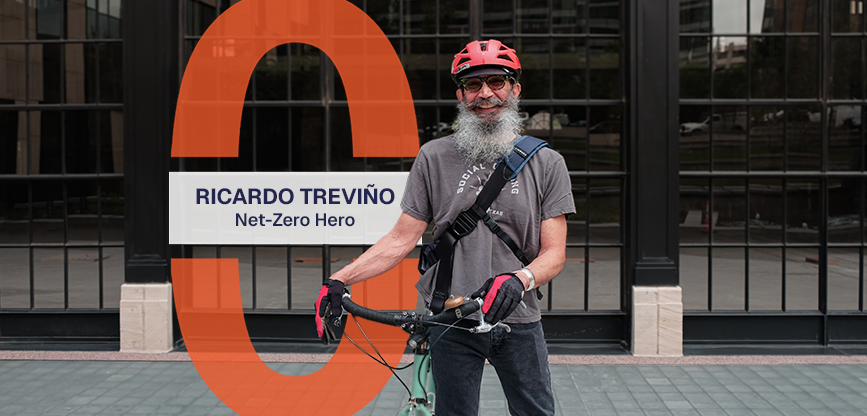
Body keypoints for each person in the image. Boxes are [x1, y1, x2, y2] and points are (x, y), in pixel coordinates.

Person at [315, 39, 574, 416]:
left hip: (517, 317)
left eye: (497, 82)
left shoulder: (547, 163)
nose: (486, 94)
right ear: (461, 94)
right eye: (473, 84)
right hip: (449, 317)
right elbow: (401, 238)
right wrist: (340, 279)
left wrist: (520, 279)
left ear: (515, 89)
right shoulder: (434, 156)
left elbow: (554, 253)